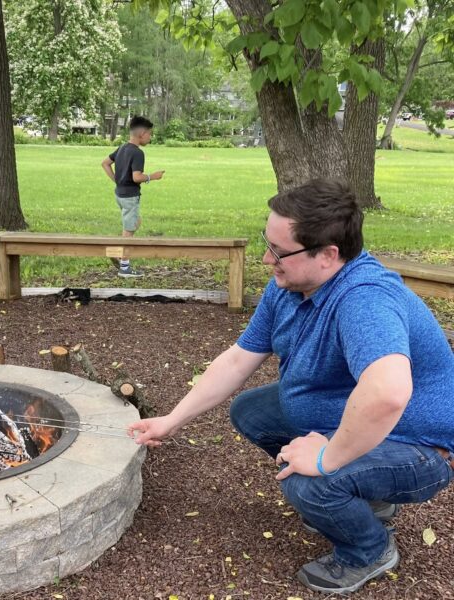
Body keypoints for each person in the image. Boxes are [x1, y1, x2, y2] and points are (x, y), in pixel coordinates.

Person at [128, 178, 454, 594]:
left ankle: (369, 549)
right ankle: (366, 497)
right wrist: (170, 421)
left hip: (423, 446)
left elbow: (388, 392)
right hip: (359, 415)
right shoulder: (290, 286)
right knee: (251, 411)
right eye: (267, 244)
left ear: (328, 255)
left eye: (278, 252)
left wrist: (326, 459)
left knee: (310, 483)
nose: (266, 259)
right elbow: (236, 360)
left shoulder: (365, 298)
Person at [101, 115, 164, 277]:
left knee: (136, 222)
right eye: (150, 134)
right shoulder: (137, 153)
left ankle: (117, 251)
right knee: (129, 231)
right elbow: (137, 177)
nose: (150, 137)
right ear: (142, 133)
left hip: (120, 195)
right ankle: (124, 267)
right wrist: (152, 176)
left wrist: (117, 180)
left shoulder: (122, 148)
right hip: (129, 197)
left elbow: (105, 163)